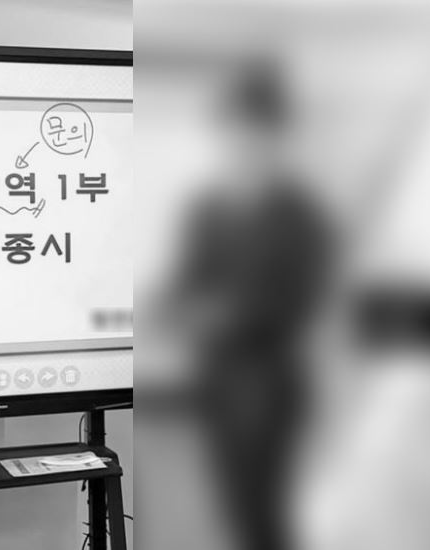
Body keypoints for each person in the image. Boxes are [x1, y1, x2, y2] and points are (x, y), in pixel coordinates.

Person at [171, 59, 334, 550]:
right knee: (237, 513)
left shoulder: (300, 213)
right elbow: (184, 283)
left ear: (275, 135)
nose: (243, 142)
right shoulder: (207, 209)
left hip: (269, 378)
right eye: (235, 129)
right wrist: (186, 311)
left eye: (255, 129)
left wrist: (229, 315)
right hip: (216, 377)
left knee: (264, 513)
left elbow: (301, 301)